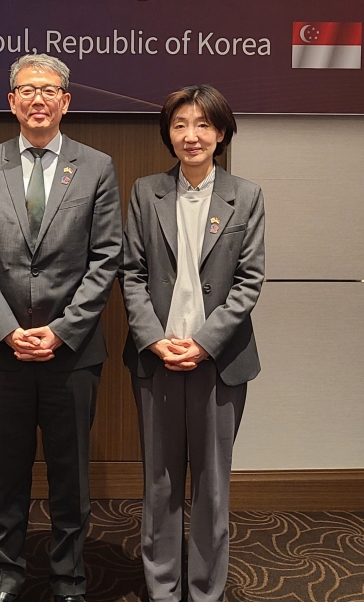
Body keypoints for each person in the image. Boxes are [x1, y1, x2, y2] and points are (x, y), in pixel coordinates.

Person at [0, 54, 122, 602]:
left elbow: (105, 260)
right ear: (11, 102)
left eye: (48, 90)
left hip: (71, 352)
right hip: (2, 351)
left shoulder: (97, 166)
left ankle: (69, 576)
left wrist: (61, 330)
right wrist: (6, 329)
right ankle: (6, 571)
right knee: (8, 470)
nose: (37, 99)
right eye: (26, 90)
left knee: (69, 471)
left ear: (66, 101)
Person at [120, 85, 265, 602]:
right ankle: (162, 588)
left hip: (219, 362)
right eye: (181, 124)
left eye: (203, 125)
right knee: (159, 484)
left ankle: (205, 590)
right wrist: (155, 340)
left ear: (221, 133)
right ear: (169, 134)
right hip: (158, 359)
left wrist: (203, 342)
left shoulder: (245, 196)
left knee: (211, 485)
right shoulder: (145, 192)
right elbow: (131, 275)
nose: (191, 135)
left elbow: (249, 281)